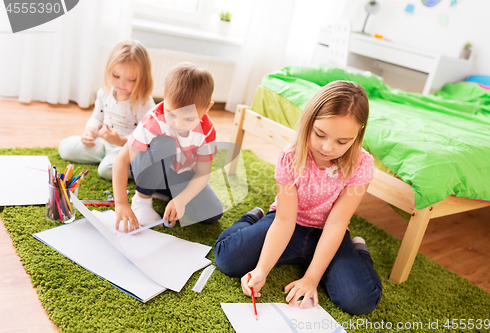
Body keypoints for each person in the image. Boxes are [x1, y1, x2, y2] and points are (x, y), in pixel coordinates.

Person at [214, 81, 382, 315]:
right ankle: (252, 218)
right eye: (320, 134)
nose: (327, 147)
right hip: (288, 223)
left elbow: (336, 224)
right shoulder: (290, 157)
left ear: (358, 135)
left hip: (329, 233)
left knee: (360, 300)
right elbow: (284, 221)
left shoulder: (361, 164)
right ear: (309, 122)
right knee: (227, 259)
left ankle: (360, 251)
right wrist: (262, 269)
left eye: (342, 142)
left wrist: (312, 278)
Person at [112, 62, 223, 232]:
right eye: (171, 114)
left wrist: (182, 199)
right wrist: (121, 204)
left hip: (176, 172)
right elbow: (122, 159)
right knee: (166, 143)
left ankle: (159, 190)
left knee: (212, 213)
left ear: (207, 108)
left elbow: (202, 173)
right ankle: (142, 198)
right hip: (147, 164)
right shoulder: (154, 120)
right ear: (164, 96)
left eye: (189, 119)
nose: (178, 124)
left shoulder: (207, 131)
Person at [58, 40, 155, 180]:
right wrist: (89, 132)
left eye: (132, 79)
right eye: (116, 76)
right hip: (103, 143)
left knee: (106, 170)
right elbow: (96, 117)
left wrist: (120, 140)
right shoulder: (105, 92)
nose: (121, 83)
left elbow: (143, 137)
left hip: (125, 149)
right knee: (65, 147)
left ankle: (135, 166)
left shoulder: (144, 103)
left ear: (143, 79)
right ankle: (106, 157)